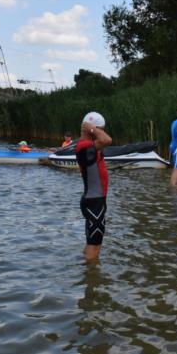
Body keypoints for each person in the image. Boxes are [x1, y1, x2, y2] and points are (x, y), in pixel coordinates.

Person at [75, 112, 113, 262]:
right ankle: (91, 275)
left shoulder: (88, 146)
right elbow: (107, 140)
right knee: (94, 248)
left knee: (92, 243)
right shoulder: (84, 147)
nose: (101, 132)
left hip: (94, 201)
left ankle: (84, 270)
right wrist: (92, 128)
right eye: (101, 129)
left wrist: (91, 129)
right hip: (94, 203)